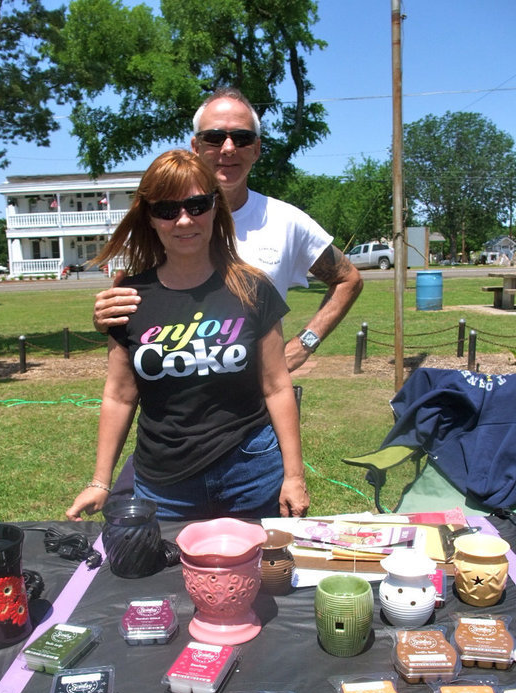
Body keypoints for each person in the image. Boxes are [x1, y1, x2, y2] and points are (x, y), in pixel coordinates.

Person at [66, 149, 309, 522]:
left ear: (216, 207)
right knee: (165, 580)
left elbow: (277, 386)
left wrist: (294, 477)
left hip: (251, 473)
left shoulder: (251, 287)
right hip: (163, 485)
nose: (183, 220)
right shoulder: (128, 296)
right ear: (149, 218)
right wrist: (101, 481)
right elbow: (119, 394)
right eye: (167, 209)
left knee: (256, 578)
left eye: (197, 205)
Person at [92, 87, 363, 373]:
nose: (229, 148)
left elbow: (348, 279)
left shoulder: (287, 221)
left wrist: (304, 344)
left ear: (257, 149)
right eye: (215, 137)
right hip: (174, 404)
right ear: (196, 147)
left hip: (260, 403)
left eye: (242, 138)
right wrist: (106, 318)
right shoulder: (164, 221)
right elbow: (135, 314)